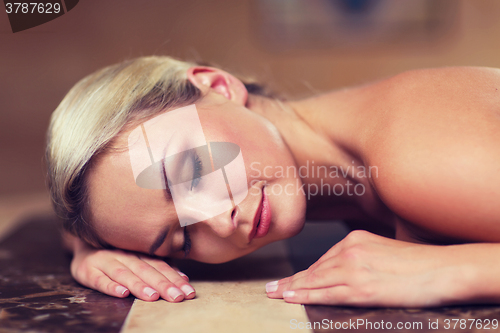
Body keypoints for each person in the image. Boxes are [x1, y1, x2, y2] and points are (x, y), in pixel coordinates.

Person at [46, 56, 500, 308]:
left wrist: (450, 271)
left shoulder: (414, 155)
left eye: (192, 173)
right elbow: (118, 206)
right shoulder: (362, 166)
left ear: (219, 87)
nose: (219, 223)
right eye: (182, 240)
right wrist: (92, 247)